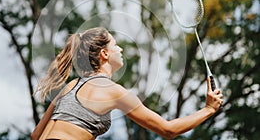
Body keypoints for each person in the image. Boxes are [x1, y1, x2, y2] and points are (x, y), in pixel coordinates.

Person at [31, 27, 223, 140]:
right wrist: (209, 109)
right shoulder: (114, 92)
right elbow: (168, 130)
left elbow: (35, 136)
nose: (120, 49)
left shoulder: (71, 85)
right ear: (104, 54)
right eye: (115, 45)